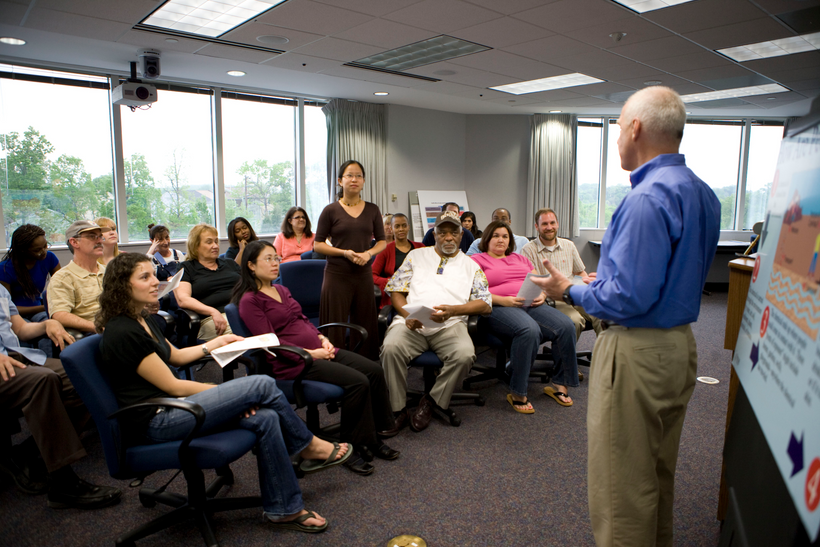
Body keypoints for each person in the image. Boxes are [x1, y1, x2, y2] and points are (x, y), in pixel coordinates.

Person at [531, 86, 721, 547]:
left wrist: (569, 288)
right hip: (679, 348)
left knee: (622, 494)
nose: (617, 137)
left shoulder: (644, 199)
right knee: (656, 475)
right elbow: (663, 280)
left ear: (635, 127)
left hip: (635, 352)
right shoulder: (703, 193)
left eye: (617, 126)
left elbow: (625, 301)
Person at [97, 253, 351, 533]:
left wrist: (217, 342)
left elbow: (177, 357)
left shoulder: (141, 319)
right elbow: (174, 385)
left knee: (265, 417)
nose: (156, 282)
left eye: (153, 275)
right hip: (156, 420)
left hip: (175, 406)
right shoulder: (122, 330)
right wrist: (231, 395)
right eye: (144, 277)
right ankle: (308, 447)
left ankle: (284, 509)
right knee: (262, 385)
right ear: (122, 285)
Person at [234, 241, 398, 476]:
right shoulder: (250, 300)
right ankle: (352, 446)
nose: (275, 263)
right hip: (295, 361)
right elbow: (270, 343)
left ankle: (372, 437)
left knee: (374, 370)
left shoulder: (281, 290)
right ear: (250, 265)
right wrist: (313, 353)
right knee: (357, 382)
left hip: (319, 350)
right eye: (268, 259)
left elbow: (301, 319)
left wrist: (323, 339)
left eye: (276, 258)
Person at [0, 284, 122, 509]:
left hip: (16, 356)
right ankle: (63, 482)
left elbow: (21, 330)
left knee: (82, 377)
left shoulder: (0, 289)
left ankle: (25, 454)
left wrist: (48, 323)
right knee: (42, 381)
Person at [379, 211, 491, 433]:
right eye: (442, 233)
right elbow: (395, 291)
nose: (448, 237)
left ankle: (432, 400)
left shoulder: (472, 266)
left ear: (461, 235)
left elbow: (485, 304)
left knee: (465, 354)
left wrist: (453, 311)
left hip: (451, 325)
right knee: (390, 348)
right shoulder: (416, 256)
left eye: (453, 233)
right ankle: (398, 409)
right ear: (435, 235)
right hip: (412, 323)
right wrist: (407, 314)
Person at [470, 221, 578, 411]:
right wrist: (504, 300)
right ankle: (518, 392)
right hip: (497, 307)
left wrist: (542, 295)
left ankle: (561, 385)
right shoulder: (476, 260)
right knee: (529, 330)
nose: (501, 240)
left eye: (505, 236)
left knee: (566, 325)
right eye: (495, 235)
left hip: (529, 303)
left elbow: (540, 281)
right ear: (486, 239)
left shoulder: (521, 259)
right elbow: (472, 292)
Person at [314, 160, 385, 360]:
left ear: (363, 181)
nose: (354, 179)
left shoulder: (372, 209)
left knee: (365, 323)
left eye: (359, 176)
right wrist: (344, 252)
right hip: (337, 274)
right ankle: (333, 364)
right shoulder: (330, 210)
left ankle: (364, 365)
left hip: (363, 274)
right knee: (334, 324)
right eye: (349, 175)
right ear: (340, 181)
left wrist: (368, 253)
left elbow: (382, 242)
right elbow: (318, 245)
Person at [521, 208, 602, 340]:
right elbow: (531, 283)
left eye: (552, 223)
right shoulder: (528, 250)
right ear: (537, 226)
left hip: (574, 292)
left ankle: (603, 358)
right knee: (574, 321)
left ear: (557, 224)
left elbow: (579, 272)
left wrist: (588, 286)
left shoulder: (569, 245)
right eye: (544, 224)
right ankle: (565, 360)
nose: (549, 227)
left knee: (602, 314)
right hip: (552, 298)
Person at [174, 224, 240, 341]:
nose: (215, 246)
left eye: (216, 241)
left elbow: (250, 286)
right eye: (209, 242)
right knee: (244, 330)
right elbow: (183, 299)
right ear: (196, 246)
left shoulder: (230, 264)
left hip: (242, 311)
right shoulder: (186, 268)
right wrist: (212, 311)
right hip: (211, 319)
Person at [46, 220, 105, 334]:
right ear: (74, 242)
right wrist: (99, 328)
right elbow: (60, 315)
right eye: (92, 237)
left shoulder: (110, 271)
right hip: (94, 334)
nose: (99, 241)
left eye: (100, 236)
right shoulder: (63, 278)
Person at [0, 224, 61, 322]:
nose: (44, 251)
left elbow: (62, 286)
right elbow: (7, 309)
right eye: (37, 250)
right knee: (36, 331)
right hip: (17, 316)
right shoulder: (4, 269)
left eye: (45, 246)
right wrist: (44, 307)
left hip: (39, 311)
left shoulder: (49, 258)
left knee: (57, 324)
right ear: (23, 250)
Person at [372, 213, 423, 309]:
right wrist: (388, 281)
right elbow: (372, 275)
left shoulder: (421, 247)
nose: (401, 229)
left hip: (419, 293)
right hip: (395, 296)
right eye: (397, 226)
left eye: (404, 226)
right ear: (391, 229)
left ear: (409, 227)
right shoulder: (385, 249)